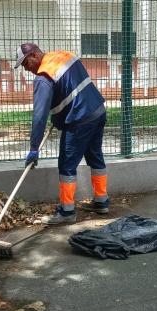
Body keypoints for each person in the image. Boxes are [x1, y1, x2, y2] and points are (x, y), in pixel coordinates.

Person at [14, 42, 109, 224]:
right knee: (95, 157)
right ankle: (102, 201)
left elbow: (39, 116)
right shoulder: (64, 56)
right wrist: (58, 117)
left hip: (80, 119)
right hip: (98, 110)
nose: (26, 70)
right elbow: (71, 90)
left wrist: (34, 148)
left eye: (26, 64)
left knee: (66, 165)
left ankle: (67, 212)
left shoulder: (44, 77)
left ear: (33, 55)